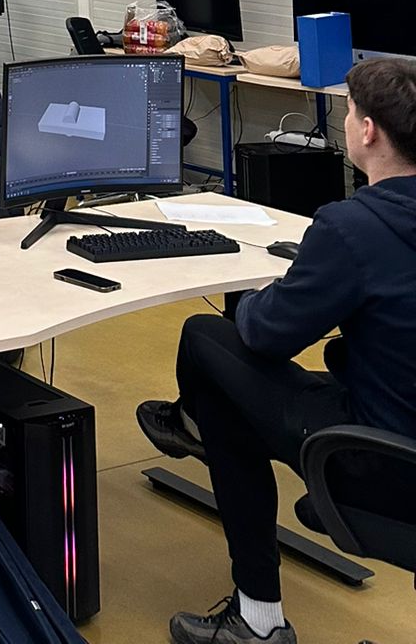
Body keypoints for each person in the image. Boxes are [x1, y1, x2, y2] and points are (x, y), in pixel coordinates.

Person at [137, 55, 416, 644]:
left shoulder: (353, 227)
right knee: (230, 398)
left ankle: (259, 621)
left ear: (368, 131)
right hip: (399, 421)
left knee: (206, 341)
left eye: (349, 113)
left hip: (382, 461)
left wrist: (258, 295)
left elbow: (267, 334)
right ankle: (197, 425)